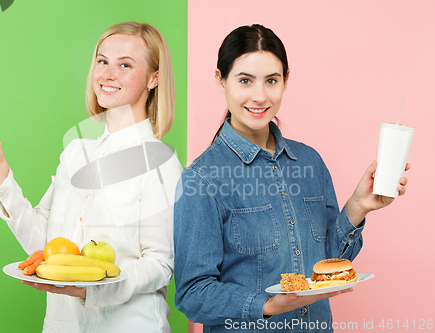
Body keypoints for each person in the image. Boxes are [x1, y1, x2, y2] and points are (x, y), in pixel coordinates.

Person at [173, 24, 409, 332]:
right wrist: (268, 306)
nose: (259, 96)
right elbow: (193, 294)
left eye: (271, 80)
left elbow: (327, 268)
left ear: (286, 80)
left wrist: (357, 208)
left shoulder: (309, 162)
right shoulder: (201, 179)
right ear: (221, 80)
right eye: (245, 80)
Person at [0, 21, 183, 333]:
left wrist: (92, 289)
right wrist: (1, 174)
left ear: (154, 78)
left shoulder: (162, 163)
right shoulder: (77, 152)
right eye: (102, 61)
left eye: (125, 65)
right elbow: (45, 244)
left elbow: (160, 265)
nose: (107, 74)